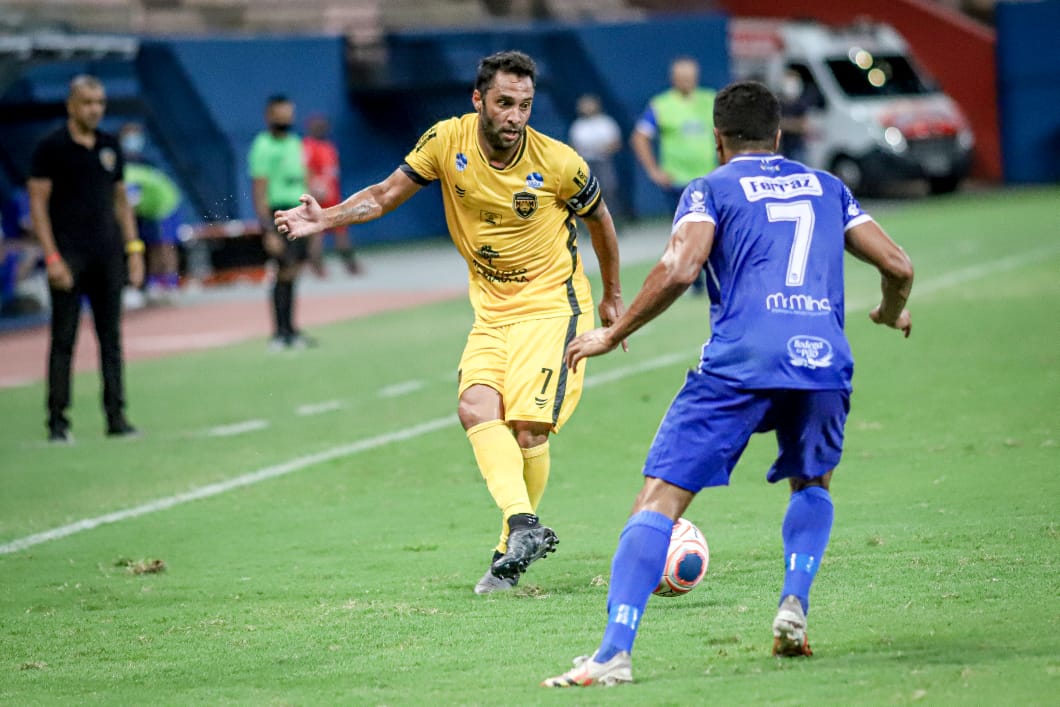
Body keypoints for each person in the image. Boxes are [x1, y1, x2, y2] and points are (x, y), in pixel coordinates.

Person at [542, 81, 914, 687]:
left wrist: (613, 332)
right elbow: (898, 266)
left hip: (740, 361)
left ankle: (613, 653)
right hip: (820, 359)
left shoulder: (709, 188)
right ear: (780, 134)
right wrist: (889, 309)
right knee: (812, 481)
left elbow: (680, 266)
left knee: (658, 499)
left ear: (718, 140)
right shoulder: (828, 187)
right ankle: (794, 602)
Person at [275, 51, 626, 594]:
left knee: (528, 427)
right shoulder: (446, 141)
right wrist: (327, 217)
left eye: (525, 106)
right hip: (491, 310)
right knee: (475, 407)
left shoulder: (559, 163)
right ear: (479, 99)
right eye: (505, 103)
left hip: (553, 308)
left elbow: (600, 219)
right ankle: (523, 529)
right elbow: (384, 195)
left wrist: (612, 297)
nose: (515, 116)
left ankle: (507, 552)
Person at [28, 75, 145, 443]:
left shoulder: (110, 146)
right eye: (87, 102)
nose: (94, 109)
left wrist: (134, 249)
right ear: (71, 106)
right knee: (64, 339)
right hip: (69, 255)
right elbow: (38, 204)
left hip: (108, 253)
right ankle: (58, 421)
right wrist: (51, 257)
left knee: (111, 338)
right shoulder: (51, 147)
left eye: (99, 102)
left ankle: (116, 416)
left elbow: (120, 201)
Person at [630, 56, 716, 293]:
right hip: (678, 181)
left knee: (715, 230)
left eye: (691, 77)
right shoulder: (661, 104)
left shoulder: (710, 100)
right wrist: (653, 171)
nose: (688, 81)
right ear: (674, 79)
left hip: (709, 179)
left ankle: (715, 278)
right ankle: (690, 282)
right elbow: (640, 137)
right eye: (683, 77)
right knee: (685, 233)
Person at [249, 94, 314, 349]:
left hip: (300, 213)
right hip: (280, 214)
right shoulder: (263, 145)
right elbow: (259, 189)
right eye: (281, 114)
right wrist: (267, 229)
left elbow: (304, 179)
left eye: (289, 113)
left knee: (295, 270)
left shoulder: (296, 143)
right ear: (270, 116)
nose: (286, 118)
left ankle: (291, 330)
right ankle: (279, 333)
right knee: (283, 270)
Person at [119, 122, 183, 306]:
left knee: (163, 245)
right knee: (142, 246)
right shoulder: (120, 165)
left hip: (165, 207)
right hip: (144, 210)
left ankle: (169, 284)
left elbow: (129, 203)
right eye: (129, 136)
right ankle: (148, 285)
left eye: (136, 136)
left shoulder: (144, 163)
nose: (133, 141)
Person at [303, 114, 361, 275]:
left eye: (323, 125)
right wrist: (313, 188)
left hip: (333, 196)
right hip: (318, 197)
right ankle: (317, 267)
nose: (321, 129)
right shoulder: (308, 146)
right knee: (317, 234)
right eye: (317, 126)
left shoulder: (329, 146)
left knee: (341, 231)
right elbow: (305, 169)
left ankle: (351, 265)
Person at [568, 94, 623, 221]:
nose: (587, 108)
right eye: (584, 105)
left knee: (609, 190)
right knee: (584, 193)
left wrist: (602, 149)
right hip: (585, 163)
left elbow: (616, 143)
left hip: (604, 161)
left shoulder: (606, 122)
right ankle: (588, 222)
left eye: (589, 104)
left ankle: (613, 220)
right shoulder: (577, 126)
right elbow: (572, 146)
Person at [778, 69, 811, 165]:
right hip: (783, 148)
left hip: (798, 148)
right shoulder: (779, 104)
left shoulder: (801, 104)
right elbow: (777, 124)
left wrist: (786, 124)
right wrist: (793, 124)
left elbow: (803, 126)